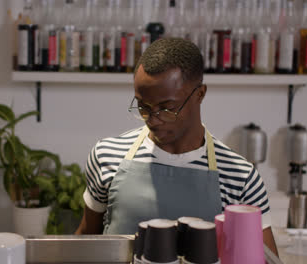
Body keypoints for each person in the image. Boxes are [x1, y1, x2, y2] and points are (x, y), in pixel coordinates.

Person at [75, 38, 278, 255]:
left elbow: (265, 258)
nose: (152, 120)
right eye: (143, 107)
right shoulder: (107, 156)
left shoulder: (241, 178)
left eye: (167, 108)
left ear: (200, 94)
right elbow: (85, 241)